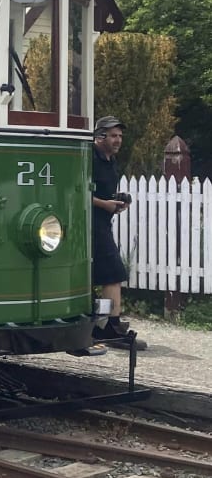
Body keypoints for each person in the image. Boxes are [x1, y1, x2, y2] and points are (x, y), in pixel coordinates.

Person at [91, 115, 147, 350]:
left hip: (103, 222)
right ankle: (110, 328)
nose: (118, 140)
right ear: (100, 136)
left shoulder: (109, 160)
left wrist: (116, 202)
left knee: (98, 274)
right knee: (114, 272)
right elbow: (76, 190)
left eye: (120, 136)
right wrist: (104, 204)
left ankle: (99, 326)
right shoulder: (90, 158)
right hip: (89, 223)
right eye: (113, 135)